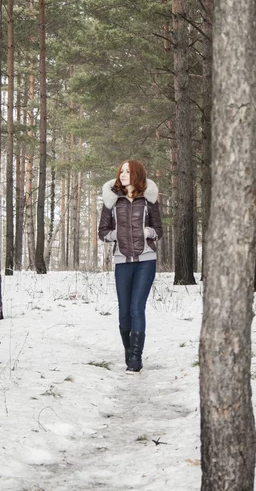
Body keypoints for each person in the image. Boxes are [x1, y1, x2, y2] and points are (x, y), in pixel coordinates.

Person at [99, 160, 163, 373]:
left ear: (136, 174)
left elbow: (159, 230)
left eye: (128, 171)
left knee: (137, 308)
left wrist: (149, 233)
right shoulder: (112, 201)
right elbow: (102, 232)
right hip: (122, 261)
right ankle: (129, 353)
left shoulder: (149, 201)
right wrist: (116, 234)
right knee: (124, 311)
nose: (123, 174)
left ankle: (135, 360)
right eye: (121, 171)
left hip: (146, 260)